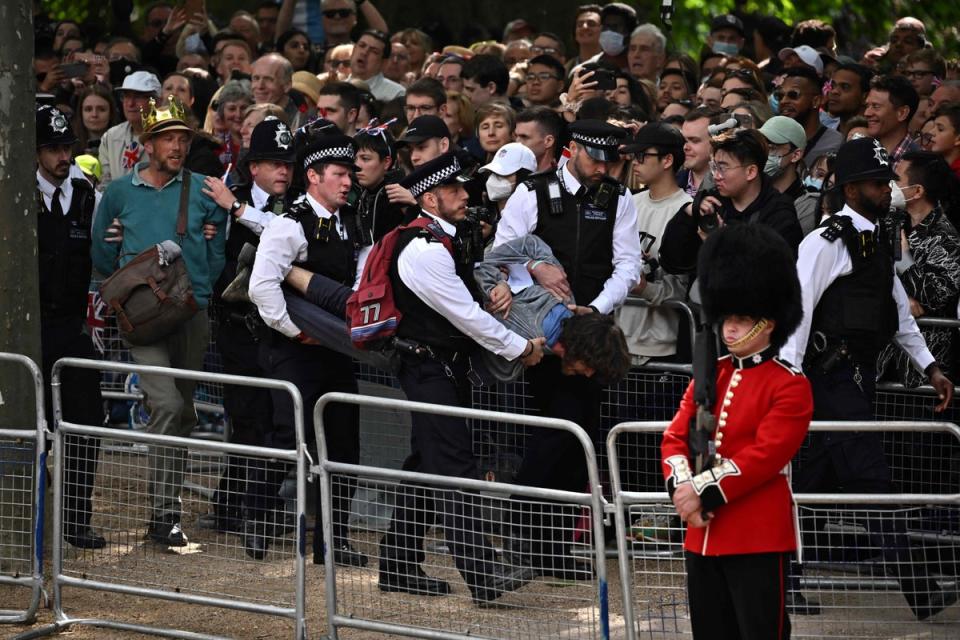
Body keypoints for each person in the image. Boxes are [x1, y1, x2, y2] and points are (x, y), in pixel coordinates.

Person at [779, 137, 958, 621]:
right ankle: (920, 590)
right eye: (879, 184)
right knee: (871, 479)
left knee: (806, 485)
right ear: (852, 188)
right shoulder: (825, 241)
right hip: (825, 379)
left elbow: (898, 314)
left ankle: (781, 582)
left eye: (887, 182)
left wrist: (931, 368)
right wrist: (787, 380)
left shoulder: (878, 239)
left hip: (855, 382)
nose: (887, 191)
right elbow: (798, 311)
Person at [371, 151, 543, 604]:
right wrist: (519, 348)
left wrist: (497, 286)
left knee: (427, 466)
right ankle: (485, 576)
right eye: (455, 190)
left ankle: (397, 564)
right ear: (431, 197)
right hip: (427, 367)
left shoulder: (448, 237)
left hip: (444, 367)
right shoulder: (423, 249)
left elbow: (473, 296)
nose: (466, 195)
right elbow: (465, 316)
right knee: (456, 467)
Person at [496, 120, 642, 578]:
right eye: (594, 158)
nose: (602, 168)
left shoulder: (618, 198)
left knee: (578, 441)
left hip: (590, 334)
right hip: (538, 332)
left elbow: (628, 265)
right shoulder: (532, 192)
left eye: (608, 160)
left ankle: (554, 548)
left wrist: (593, 309)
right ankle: (523, 535)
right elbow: (502, 252)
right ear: (570, 149)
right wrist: (537, 270)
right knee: (546, 436)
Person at [662, 223, 810, 640]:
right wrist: (682, 488)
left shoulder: (789, 384)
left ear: (768, 323)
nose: (729, 328)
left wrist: (702, 491)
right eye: (727, 317)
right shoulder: (711, 375)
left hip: (756, 535)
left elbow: (765, 456)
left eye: (742, 319)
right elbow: (676, 436)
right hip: (701, 533)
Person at [91, 96, 228, 546]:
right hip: (142, 319)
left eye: (182, 138)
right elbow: (100, 255)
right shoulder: (118, 192)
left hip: (191, 313)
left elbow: (217, 255)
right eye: (167, 138)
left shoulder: (206, 188)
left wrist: (208, 249)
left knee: (184, 412)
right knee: (167, 406)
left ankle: (163, 516)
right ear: (147, 144)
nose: (177, 146)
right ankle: (165, 512)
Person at [246, 132, 365, 566]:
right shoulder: (288, 223)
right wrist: (296, 331)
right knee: (285, 439)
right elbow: (261, 287)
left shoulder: (350, 222)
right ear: (313, 176)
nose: (347, 181)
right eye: (338, 174)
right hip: (293, 350)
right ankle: (256, 520)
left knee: (345, 447)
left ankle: (333, 540)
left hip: (335, 351)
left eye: (350, 173)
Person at [196, 118, 297, 534]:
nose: (283, 171)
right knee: (247, 418)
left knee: (279, 420)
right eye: (274, 163)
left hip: (282, 331)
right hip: (238, 327)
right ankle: (234, 507)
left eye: (288, 163)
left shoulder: (297, 207)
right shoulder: (224, 199)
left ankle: (254, 507)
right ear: (252, 166)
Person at [35, 105, 107, 550]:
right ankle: (27, 514)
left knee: (86, 422)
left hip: (72, 327)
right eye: (53, 149)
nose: (63, 157)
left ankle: (75, 519)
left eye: (67, 147)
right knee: (29, 425)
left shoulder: (87, 195)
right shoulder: (16, 195)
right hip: (28, 331)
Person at [877, 151, 960, 388]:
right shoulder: (889, 221)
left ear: (917, 191)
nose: (890, 184)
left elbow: (936, 296)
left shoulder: (946, 238)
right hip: (882, 361)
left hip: (923, 370)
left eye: (897, 179)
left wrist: (904, 261)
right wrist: (903, 298)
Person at [617, 123, 692, 366]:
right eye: (633, 156)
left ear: (667, 160)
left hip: (660, 346)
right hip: (618, 340)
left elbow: (683, 287)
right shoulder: (629, 202)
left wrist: (643, 288)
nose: (634, 162)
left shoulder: (687, 210)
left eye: (642, 156)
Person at [759, 116, 821, 235]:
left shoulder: (808, 206)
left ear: (796, 155)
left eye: (772, 149)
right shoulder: (750, 193)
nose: (764, 155)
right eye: (761, 148)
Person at [99, 70, 160, 188]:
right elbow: (106, 182)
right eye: (126, 96)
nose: (130, 103)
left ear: (156, 102)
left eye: (138, 97)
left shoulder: (168, 137)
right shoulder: (111, 136)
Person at [777, 67, 843, 167]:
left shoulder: (836, 145)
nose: (783, 101)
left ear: (816, 101)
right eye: (780, 96)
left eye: (793, 95)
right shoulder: (773, 140)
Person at [865, 74, 920, 167]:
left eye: (876, 106)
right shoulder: (862, 152)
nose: (867, 113)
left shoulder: (918, 163)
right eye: (867, 106)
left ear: (902, 113)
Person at [349, 29, 405, 102]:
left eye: (374, 51)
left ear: (384, 63)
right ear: (353, 51)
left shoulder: (396, 94)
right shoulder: (336, 88)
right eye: (362, 46)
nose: (364, 52)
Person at [515, 106, 562, 172]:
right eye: (516, 136)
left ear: (548, 141)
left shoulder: (562, 179)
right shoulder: (511, 174)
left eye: (524, 137)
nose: (517, 142)